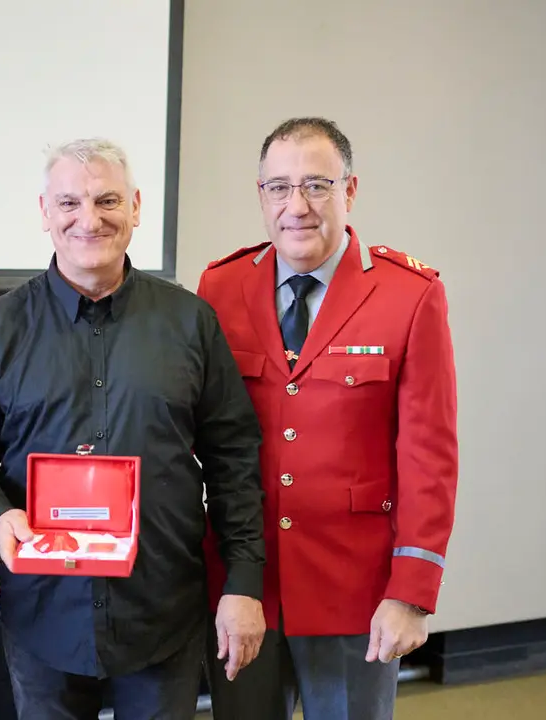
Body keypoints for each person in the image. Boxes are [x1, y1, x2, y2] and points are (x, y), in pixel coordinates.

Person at [0, 137, 268, 720]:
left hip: (163, 608)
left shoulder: (190, 322)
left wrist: (243, 580)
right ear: (44, 213)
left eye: (107, 200)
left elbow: (234, 457)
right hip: (43, 614)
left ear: (136, 207)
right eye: (69, 203)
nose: (89, 219)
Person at [196, 117, 459, 719]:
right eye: (280, 187)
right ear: (261, 196)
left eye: (317, 185)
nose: (298, 206)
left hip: (355, 592)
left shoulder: (408, 295)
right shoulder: (222, 285)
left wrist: (412, 593)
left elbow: (430, 456)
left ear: (351, 190)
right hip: (245, 585)